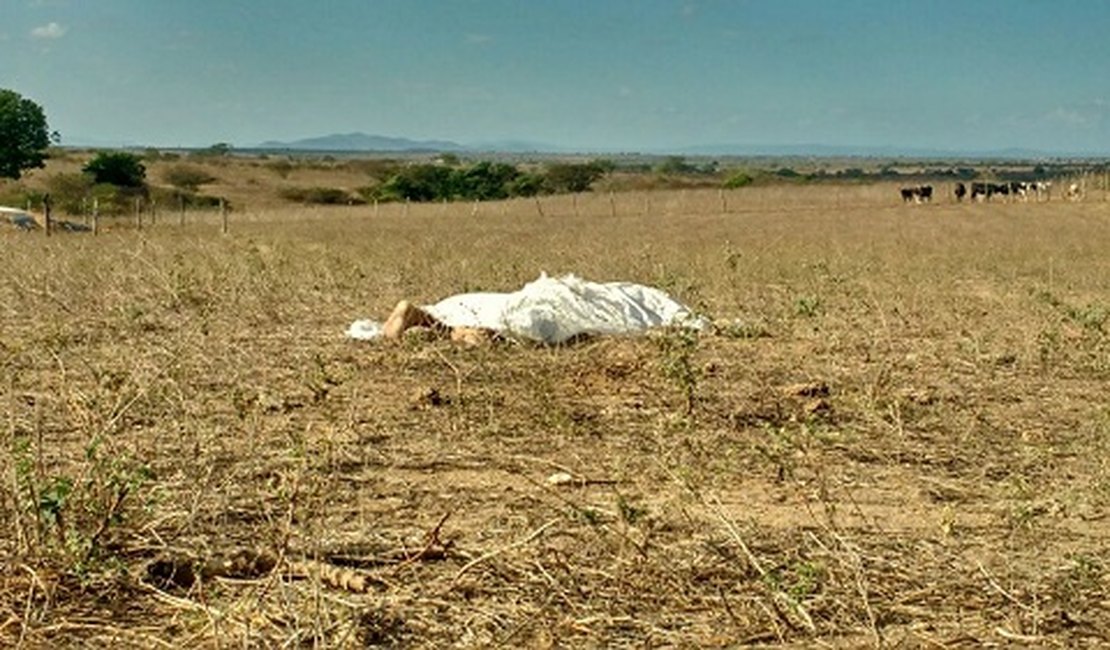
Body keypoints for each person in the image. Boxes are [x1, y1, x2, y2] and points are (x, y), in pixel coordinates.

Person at [348, 273, 706, 345]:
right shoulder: (634, 295)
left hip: (473, 301)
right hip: (526, 306)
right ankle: (456, 332)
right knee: (535, 323)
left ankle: (435, 323)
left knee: (502, 314)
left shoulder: (626, 292)